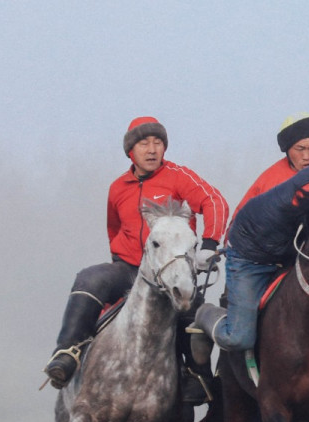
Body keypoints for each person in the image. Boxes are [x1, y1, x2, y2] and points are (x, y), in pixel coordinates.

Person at [43, 117, 228, 399]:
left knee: (194, 307)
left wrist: (210, 244)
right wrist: (120, 259)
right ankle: (67, 352)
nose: (152, 150)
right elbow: (114, 229)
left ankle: (196, 376)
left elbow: (214, 201)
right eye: (144, 144)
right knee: (89, 279)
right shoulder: (118, 188)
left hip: (171, 271)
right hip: (130, 268)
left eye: (158, 143)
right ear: (131, 151)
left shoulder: (179, 177)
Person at [190, 143, 309, 361]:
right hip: (252, 258)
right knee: (238, 338)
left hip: (288, 250)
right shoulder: (306, 191)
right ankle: (205, 315)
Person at [235, 114, 309, 213]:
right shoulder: (269, 182)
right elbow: (241, 218)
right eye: (300, 149)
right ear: (287, 150)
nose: (306, 156)